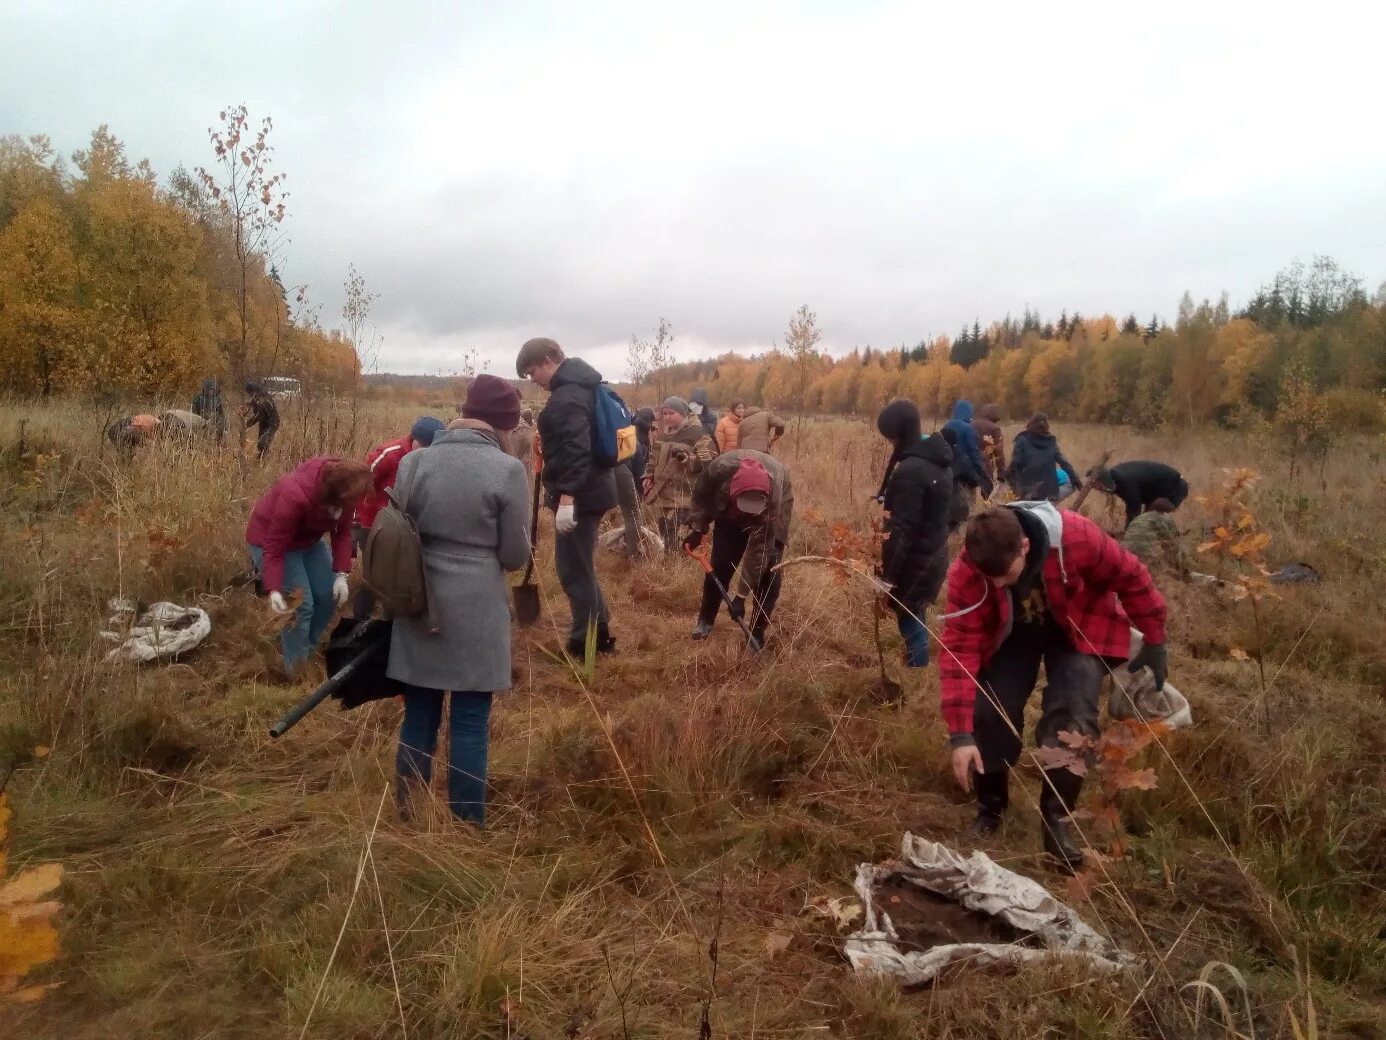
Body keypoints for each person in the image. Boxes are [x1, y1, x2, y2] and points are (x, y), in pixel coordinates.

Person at [938, 504, 1168, 871]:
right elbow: (959, 647)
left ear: (1025, 547)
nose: (996, 585)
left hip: (1077, 632)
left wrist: (1155, 638)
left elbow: (1130, 574)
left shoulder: (1077, 537)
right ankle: (990, 809)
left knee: (1073, 716)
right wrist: (960, 735)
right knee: (989, 710)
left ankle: (1056, 822)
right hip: (1012, 637)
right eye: (989, 578)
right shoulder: (970, 568)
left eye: (1004, 576)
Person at [386, 375, 530, 826]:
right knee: (469, 720)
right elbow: (513, 555)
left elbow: (397, 530)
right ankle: (468, 824)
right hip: (477, 608)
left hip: (418, 600)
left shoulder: (416, 462)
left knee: (420, 714)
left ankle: (408, 814)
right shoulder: (508, 471)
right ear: (502, 426)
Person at [515, 337, 618, 656]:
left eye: (532, 372)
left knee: (572, 569)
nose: (533, 380)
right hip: (596, 489)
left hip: (581, 496)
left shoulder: (567, 398)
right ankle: (599, 635)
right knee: (582, 566)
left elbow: (577, 451)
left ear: (548, 360)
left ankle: (582, 644)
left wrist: (567, 500)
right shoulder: (584, 386)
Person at [245, 456, 372, 675]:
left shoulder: (345, 497)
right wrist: (274, 588)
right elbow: (274, 545)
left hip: (307, 542)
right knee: (300, 606)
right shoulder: (295, 494)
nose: (357, 503)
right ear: (337, 492)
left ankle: (304, 648)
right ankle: (295, 670)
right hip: (273, 544)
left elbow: (342, 533)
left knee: (327, 597)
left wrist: (341, 574)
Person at [684, 450, 794, 651]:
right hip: (728, 508)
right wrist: (698, 527)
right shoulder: (718, 470)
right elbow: (701, 497)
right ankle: (706, 621)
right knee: (721, 563)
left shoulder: (772, 499)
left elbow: (759, 552)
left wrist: (741, 597)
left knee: (770, 570)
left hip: (773, 507)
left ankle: (757, 633)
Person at [875, 401, 953, 667]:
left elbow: (901, 531)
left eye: (891, 436)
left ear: (901, 432)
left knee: (908, 613)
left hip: (917, 559)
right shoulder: (937, 459)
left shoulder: (912, 472)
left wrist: (888, 577)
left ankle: (917, 672)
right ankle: (917, 665)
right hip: (933, 551)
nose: (890, 442)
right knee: (915, 609)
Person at [353, 416, 446, 617]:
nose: (424, 452)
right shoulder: (389, 454)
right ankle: (360, 620)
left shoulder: (432, 459)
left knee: (399, 576)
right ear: (413, 438)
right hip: (373, 523)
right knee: (376, 575)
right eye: (422, 446)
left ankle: (392, 622)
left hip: (403, 527)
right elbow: (359, 484)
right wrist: (356, 520)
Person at [643, 397, 717, 554]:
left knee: (673, 526)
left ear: (683, 414)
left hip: (685, 494)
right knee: (664, 526)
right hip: (664, 492)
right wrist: (649, 475)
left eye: (671, 413)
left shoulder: (697, 433)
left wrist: (688, 459)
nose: (667, 417)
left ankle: (677, 557)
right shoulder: (664, 433)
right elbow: (654, 457)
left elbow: (709, 458)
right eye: (665, 413)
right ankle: (674, 557)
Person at [1090, 461, 1190, 528]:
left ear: (1101, 480)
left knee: (1148, 517)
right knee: (1144, 521)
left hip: (1175, 487)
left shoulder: (1124, 481)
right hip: (1153, 492)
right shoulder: (1113, 477)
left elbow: (1134, 507)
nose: (1096, 489)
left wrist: (1129, 532)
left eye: (1096, 485)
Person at [1006, 413, 1079, 502]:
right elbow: (1064, 463)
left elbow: (1014, 465)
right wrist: (1075, 480)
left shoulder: (1021, 439)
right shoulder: (1051, 442)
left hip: (1026, 494)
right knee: (1068, 481)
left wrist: (1014, 489)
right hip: (1049, 494)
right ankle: (1050, 505)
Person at [1121, 499, 1188, 577]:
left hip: (1124, 555)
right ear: (1166, 513)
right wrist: (1183, 569)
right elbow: (1174, 543)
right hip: (1142, 559)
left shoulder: (1139, 518)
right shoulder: (1162, 517)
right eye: (1172, 514)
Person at [941, 426, 984, 533]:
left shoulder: (929, 451)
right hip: (952, 501)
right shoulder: (958, 454)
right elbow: (970, 475)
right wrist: (976, 481)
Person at [243, 380, 281, 460]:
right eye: (249, 394)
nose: (250, 395)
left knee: (263, 443)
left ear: (255, 390)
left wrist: (246, 424)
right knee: (260, 445)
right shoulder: (257, 397)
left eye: (251, 393)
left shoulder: (265, 399)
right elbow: (253, 403)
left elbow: (259, 415)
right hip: (264, 423)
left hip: (272, 423)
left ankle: (265, 460)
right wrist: (247, 405)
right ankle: (261, 460)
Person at [974, 403, 1006, 488]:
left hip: (971, 463)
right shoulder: (994, 428)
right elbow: (999, 451)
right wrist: (1001, 471)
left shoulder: (971, 424)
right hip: (986, 464)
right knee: (987, 493)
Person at [509, 408, 538, 488]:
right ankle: (525, 488)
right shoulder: (518, 412)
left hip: (514, 432)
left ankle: (514, 488)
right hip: (527, 433)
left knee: (512, 463)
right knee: (525, 465)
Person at [191, 378, 227, 443]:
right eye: (209, 389)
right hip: (201, 421)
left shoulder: (217, 399)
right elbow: (194, 413)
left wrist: (225, 427)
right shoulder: (198, 398)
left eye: (212, 389)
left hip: (214, 422)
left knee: (220, 431)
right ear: (205, 389)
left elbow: (221, 413)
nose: (211, 391)